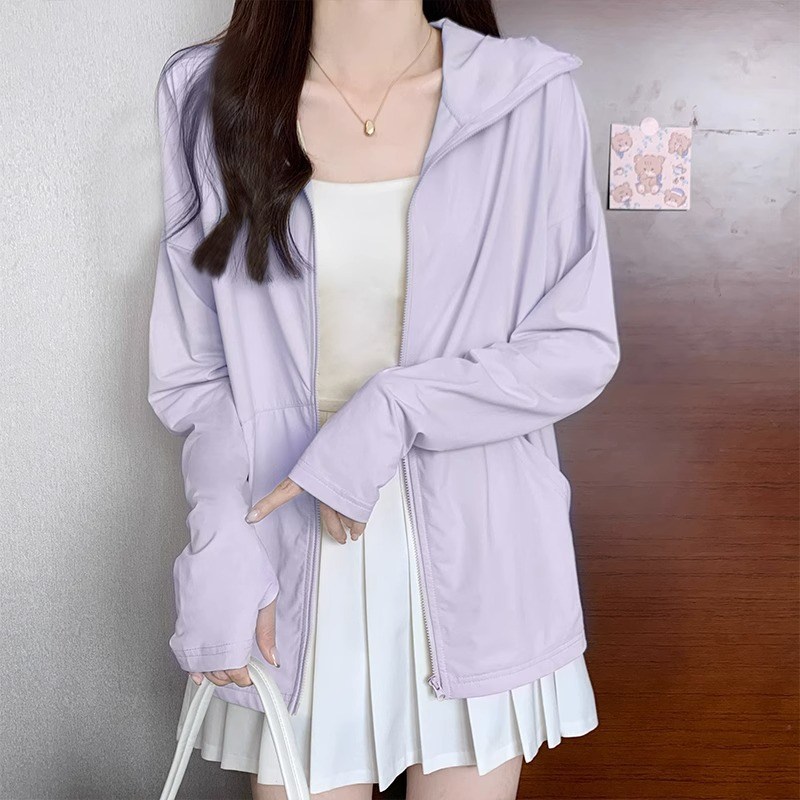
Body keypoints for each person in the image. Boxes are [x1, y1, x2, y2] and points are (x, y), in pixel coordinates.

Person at [148, 2, 620, 798]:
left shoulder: (527, 94)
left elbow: (577, 345)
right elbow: (199, 370)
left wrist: (396, 409)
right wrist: (219, 530)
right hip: (287, 545)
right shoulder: (210, 98)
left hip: (482, 552)